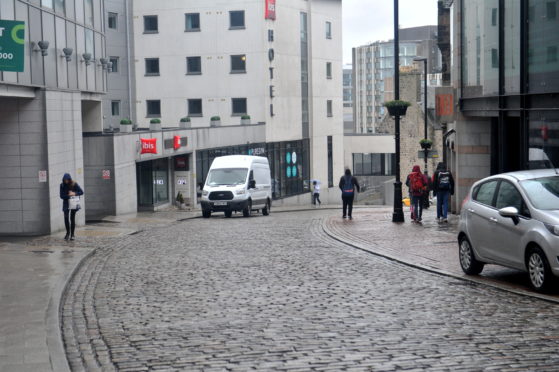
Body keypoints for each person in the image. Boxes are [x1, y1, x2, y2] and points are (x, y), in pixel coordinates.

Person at [60, 173, 84, 241]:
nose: (66, 181)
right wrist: (69, 195)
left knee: (72, 218)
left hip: (73, 203)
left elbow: (81, 192)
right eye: (65, 180)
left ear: (69, 179)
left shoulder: (74, 184)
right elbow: (61, 196)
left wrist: (74, 193)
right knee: (66, 218)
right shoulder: (62, 185)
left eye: (67, 180)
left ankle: (72, 235)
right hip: (66, 203)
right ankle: (67, 233)